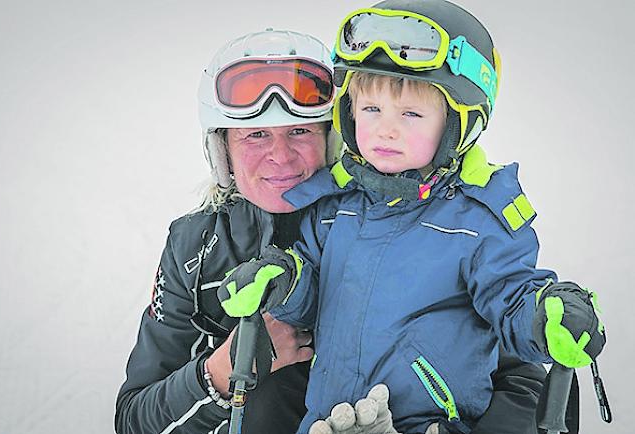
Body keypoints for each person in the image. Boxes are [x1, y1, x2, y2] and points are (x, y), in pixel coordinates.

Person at [117, 27, 553, 434]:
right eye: (255, 136)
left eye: (301, 131)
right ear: (223, 149)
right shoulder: (196, 247)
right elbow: (134, 417)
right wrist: (220, 372)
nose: (280, 157)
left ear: (333, 135)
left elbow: (524, 377)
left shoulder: (410, 223)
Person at [216, 2, 606, 434]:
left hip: (430, 423)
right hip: (327, 420)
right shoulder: (333, 207)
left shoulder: (476, 221)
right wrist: (284, 282)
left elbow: (510, 297)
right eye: (371, 110)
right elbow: (314, 298)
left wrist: (543, 316)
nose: (386, 130)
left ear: (459, 124)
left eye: (411, 114)